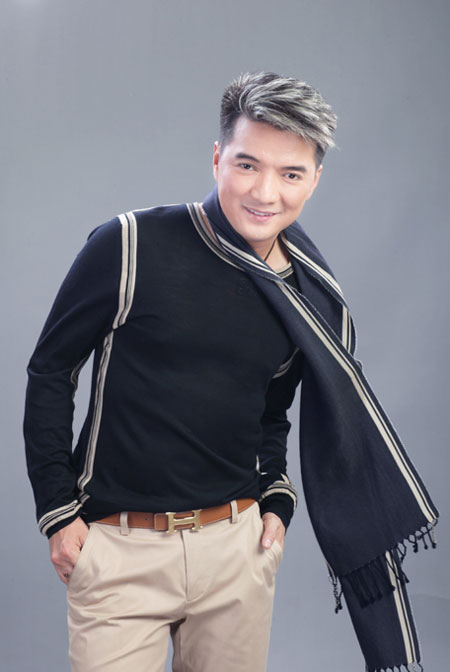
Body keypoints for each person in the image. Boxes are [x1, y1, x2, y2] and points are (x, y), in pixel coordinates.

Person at [24, 72, 438, 672]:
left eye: (290, 174)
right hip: (119, 550)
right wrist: (59, 514)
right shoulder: (130, 244)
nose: (265, 192)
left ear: (314, 180)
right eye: (247, 165)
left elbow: (272, 414)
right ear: (218, 158)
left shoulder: (303, 296)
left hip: (235, 554)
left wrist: (276, 503)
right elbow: (51, 371)